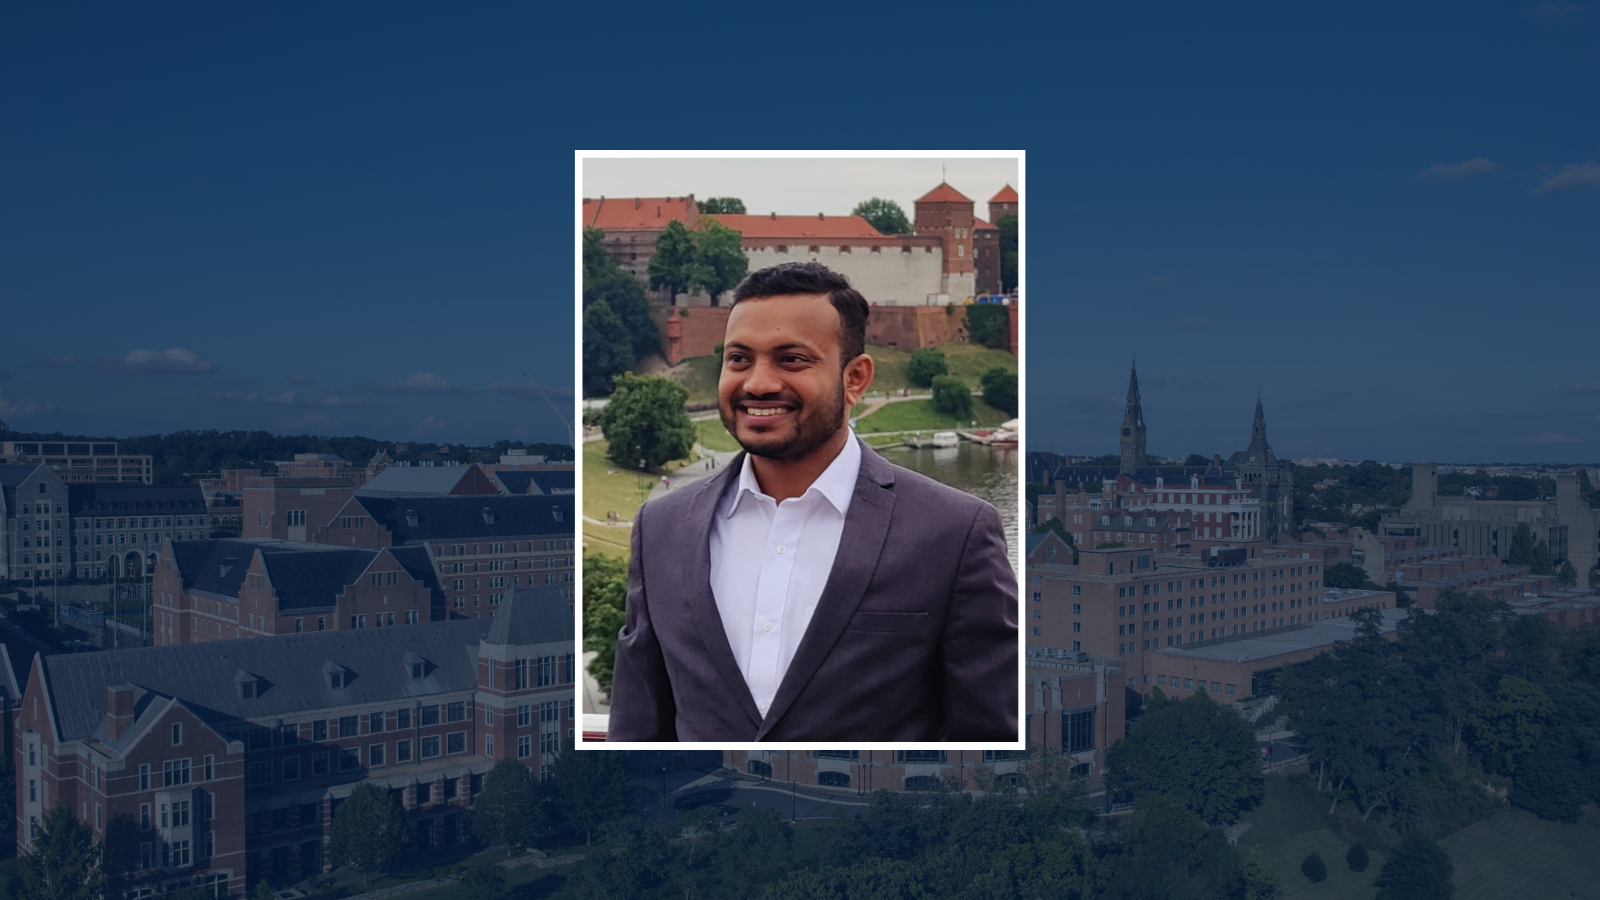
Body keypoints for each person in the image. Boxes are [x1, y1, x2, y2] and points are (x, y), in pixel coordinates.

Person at [608, 262, 1016, 742]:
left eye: (792, 359)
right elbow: (637, 736)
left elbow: (990, 749)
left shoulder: (953, 533)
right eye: (739, 358)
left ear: (856, 378)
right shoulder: (661, 529)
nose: (757, 383)